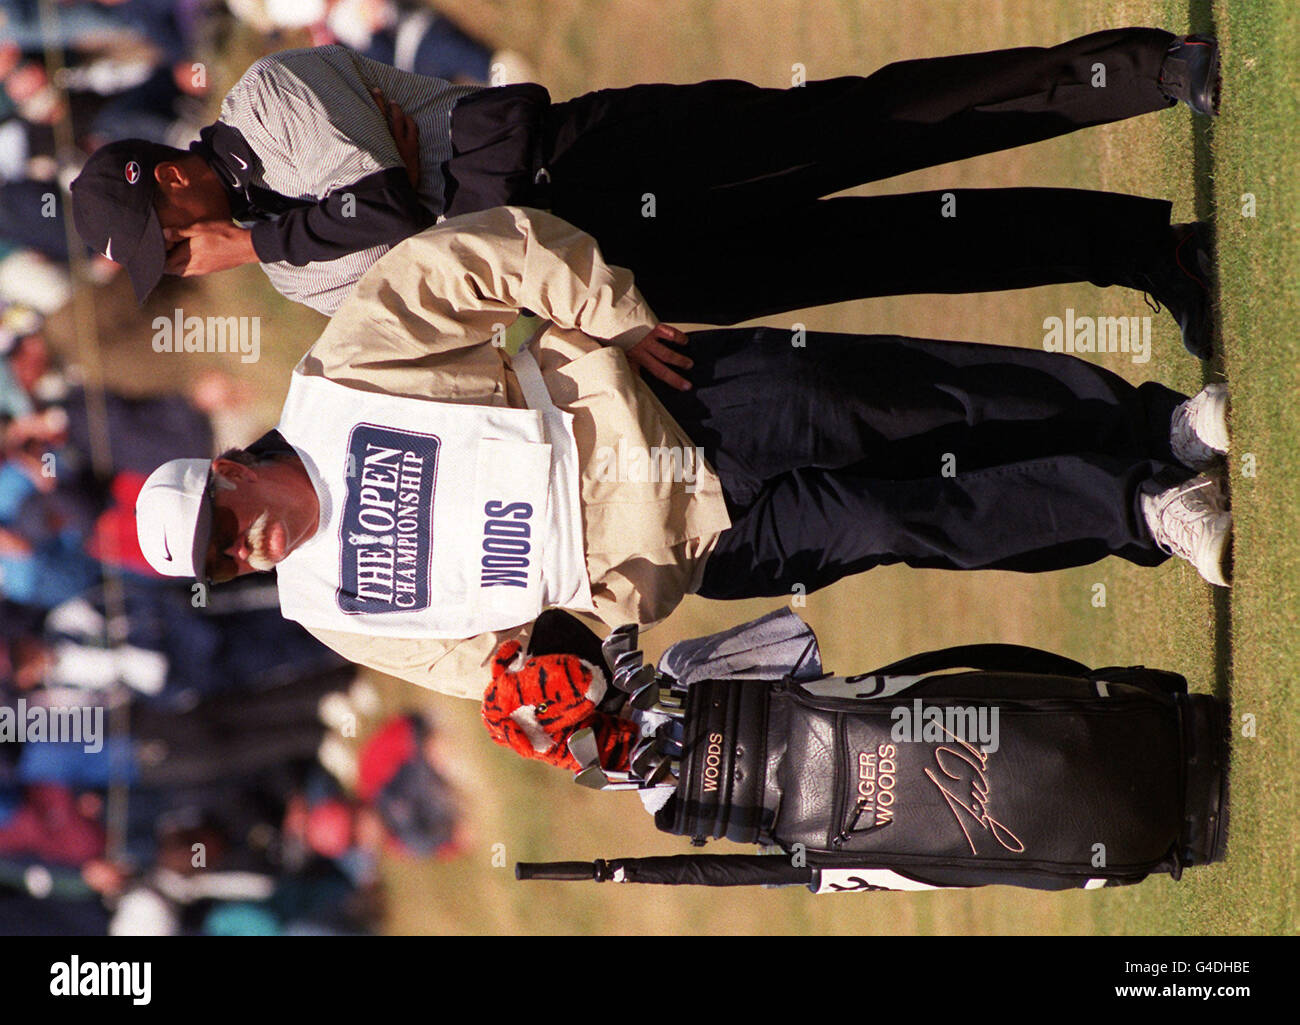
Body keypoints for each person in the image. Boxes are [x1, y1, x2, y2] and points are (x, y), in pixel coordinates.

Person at [133, 207, 1233, 701]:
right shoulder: (331, 608)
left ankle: (1158, 427)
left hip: (677, 405)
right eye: (226, 563)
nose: (246, 548)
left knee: (926, 399)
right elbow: (492, 672)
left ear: (229, 468)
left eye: (226, 525)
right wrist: (567, 702)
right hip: (689, 548)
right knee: (911, 520)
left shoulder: (337, 380)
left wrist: (604, 310)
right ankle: (1148, 510)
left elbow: (463, 258)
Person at [70, 29, 1221, 355]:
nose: (185, 260)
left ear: (168, 177)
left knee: (867, 125)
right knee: (890, 253)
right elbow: (436, 297)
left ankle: (1133, 72)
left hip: (601, 160)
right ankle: (1144, 250)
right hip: (607, 271)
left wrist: (404, 214)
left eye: (167, 242)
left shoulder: (270, 96)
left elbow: (388, 214)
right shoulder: (284, 261)